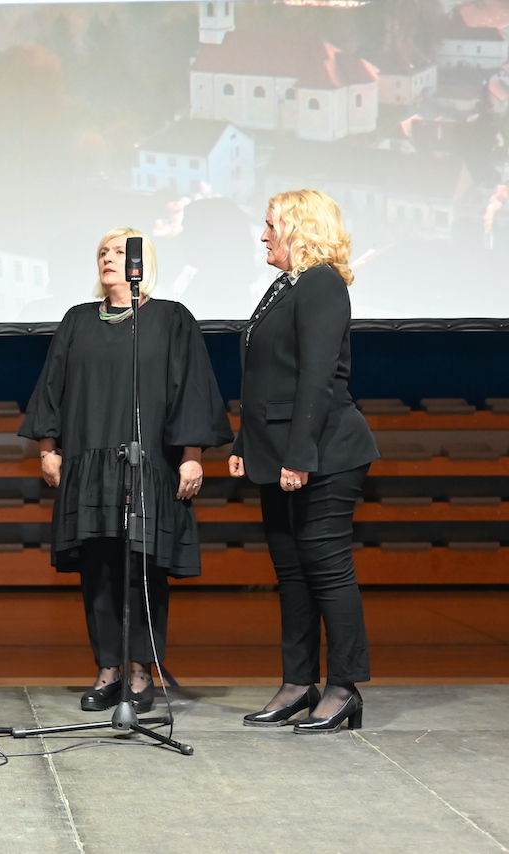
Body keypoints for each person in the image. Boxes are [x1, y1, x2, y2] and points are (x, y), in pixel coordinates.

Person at [19, 227, 232, 714]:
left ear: (141, 262)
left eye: (119, 251)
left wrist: (192, 454)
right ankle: (107, 669)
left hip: (147, 464)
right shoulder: (78, 320)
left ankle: (140, 671)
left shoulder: (170, 318)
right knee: (98, 569)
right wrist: (48, 448)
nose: (109, 258)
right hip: (88, 463)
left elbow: (190, 388)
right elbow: (52, 387)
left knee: (143, 568)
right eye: (103, 252)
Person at [230, 189, 378, 733]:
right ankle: (298, 682)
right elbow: (265, 377)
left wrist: (298, 457)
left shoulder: (322, 284)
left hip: (325, 452)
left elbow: (316, 376)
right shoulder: (286, 285)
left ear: (300, 229)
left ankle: (344, 687)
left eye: (271, 225)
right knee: (291, 573)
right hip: (279, 452)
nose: (263, 235)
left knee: (327, 569)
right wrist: (245, 444)